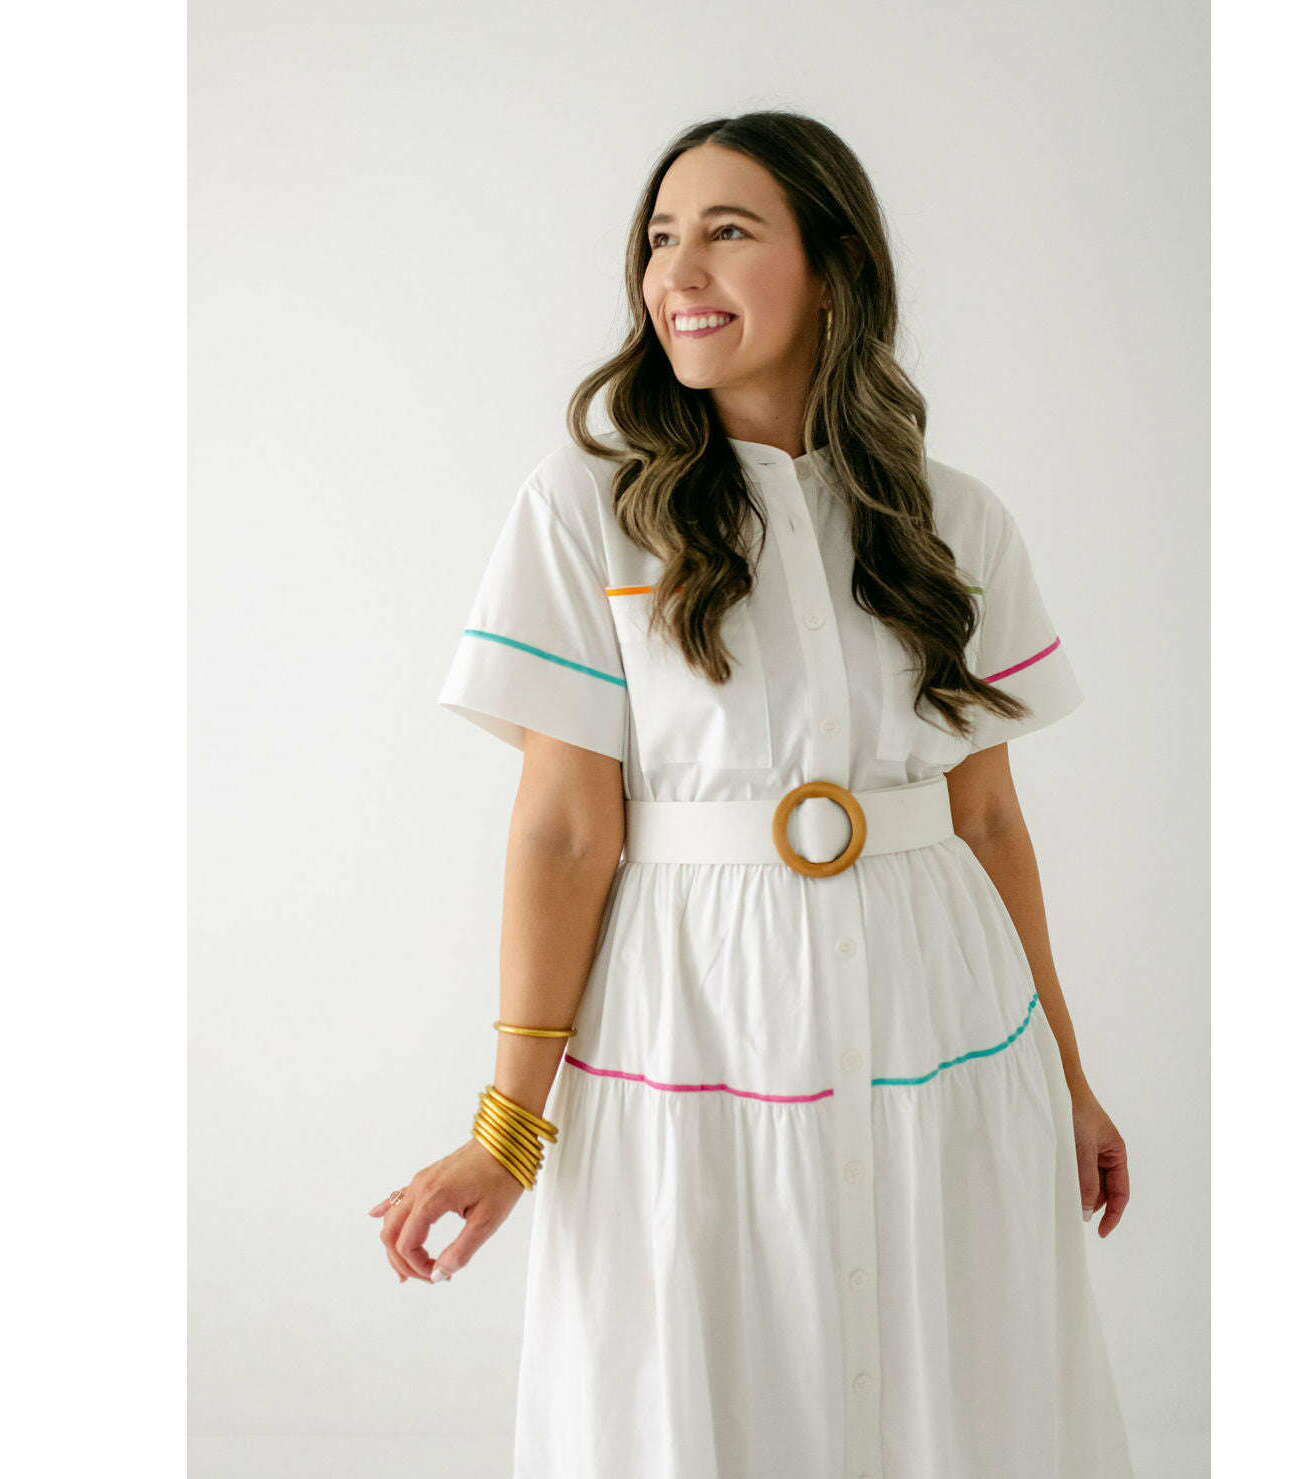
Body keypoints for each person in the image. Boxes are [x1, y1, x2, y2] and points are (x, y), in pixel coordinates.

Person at [369, 110, 1135, 1478]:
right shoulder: (590, 509)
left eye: (728, 232)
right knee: (692, 1384)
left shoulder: (953, 521)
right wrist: (506, 1131)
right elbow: (566, 829)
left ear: (832, 268)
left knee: (951, 1380)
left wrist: (1069, 1083)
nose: (680, 273)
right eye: (662, 238)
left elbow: (987, 820)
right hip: (690, 1017)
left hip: (945, 1019)